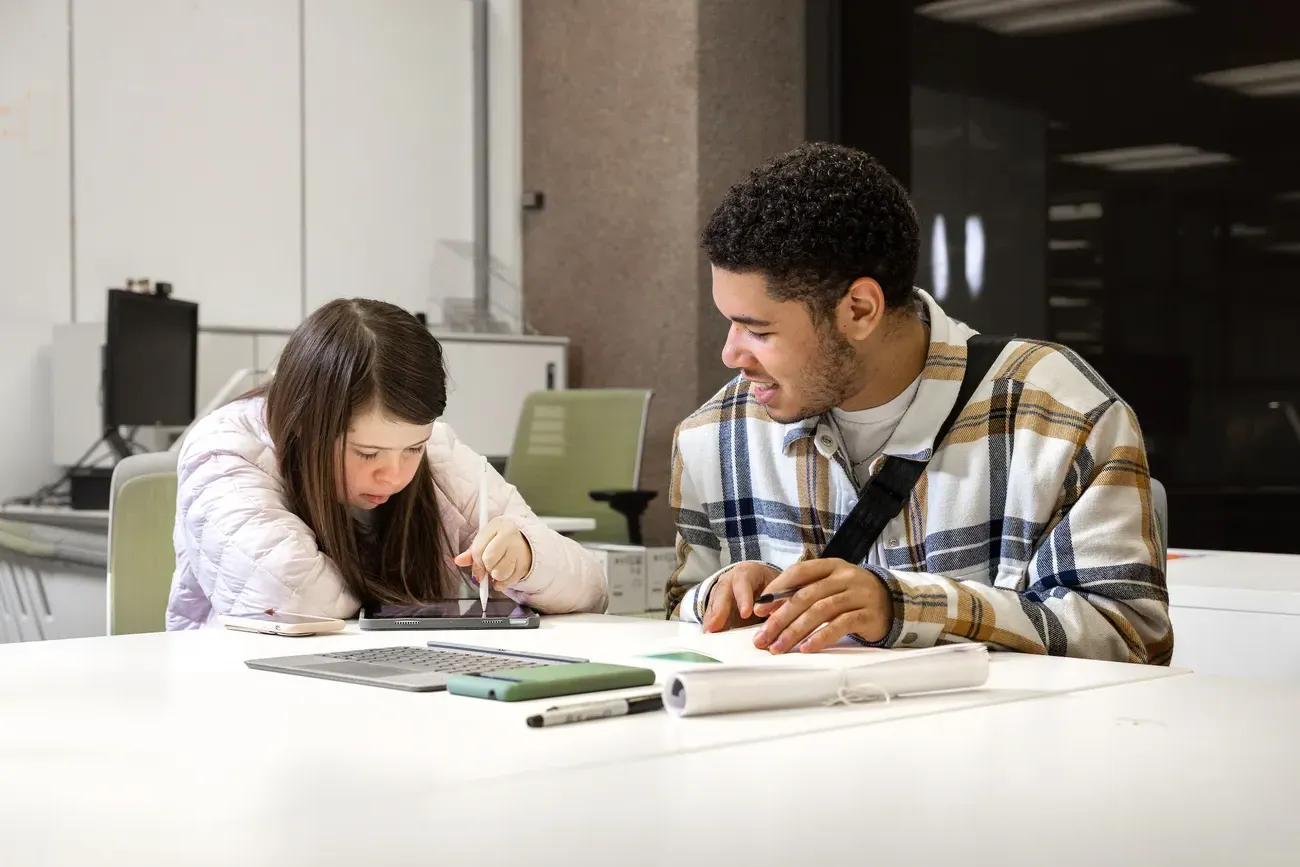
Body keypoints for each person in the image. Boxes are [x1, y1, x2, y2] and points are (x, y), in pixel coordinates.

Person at [666, 142, 1172, 665]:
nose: (730, 354)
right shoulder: (713, 438)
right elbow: (681, 612)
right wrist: (726, 596)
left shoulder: (1059, 416)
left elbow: (1132, 639)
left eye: (758, 330)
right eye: (730, 322)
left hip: (1000, 742)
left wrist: (909, 608)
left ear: (859, 310)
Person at [165, 298, 607, 628]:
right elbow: (287, 598)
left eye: (412, 448)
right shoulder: (225, 452)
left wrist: (527, 557)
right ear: (308, 424)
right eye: (367, 454)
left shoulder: (439, 451)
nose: (395, 474)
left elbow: (591, 588)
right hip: (250, 697)